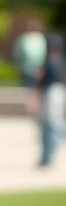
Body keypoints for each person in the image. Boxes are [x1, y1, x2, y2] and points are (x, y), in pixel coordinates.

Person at [38, 33, 66, 168]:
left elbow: (41, 82)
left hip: (52, 93)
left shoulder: (49, 62)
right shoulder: (60, 62)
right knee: (53, 121)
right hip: (58, 92)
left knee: (51, 122)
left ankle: (55, 144)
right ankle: (50, 151)